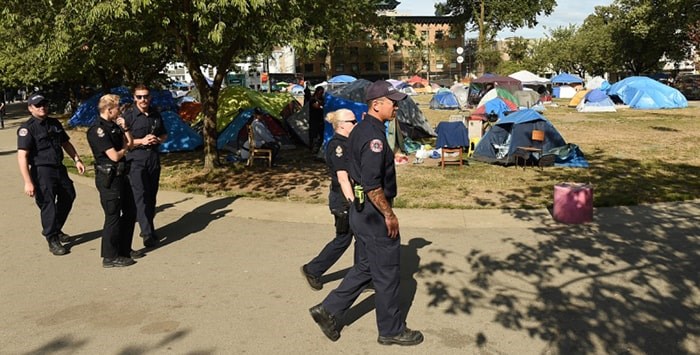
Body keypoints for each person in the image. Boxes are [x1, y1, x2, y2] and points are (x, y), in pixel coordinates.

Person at [309, 80, 423, 346]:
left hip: (360, 211)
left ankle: (329, 310)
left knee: (366, 267)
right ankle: (391, 329)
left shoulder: (360, 129)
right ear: (376, 104)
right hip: (373, 214)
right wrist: (389, 215)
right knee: (387, 274)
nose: (396, 106)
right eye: (392, 102)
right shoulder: (373, 137)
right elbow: (372, 184)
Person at [16, 94, 86, 256]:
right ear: (30, 108)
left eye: (44, 104)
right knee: (48, 204)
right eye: (38, 105)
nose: (42, 107)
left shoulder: (54, 123)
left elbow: (65, 143)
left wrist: (77, 159)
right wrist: (27, 182)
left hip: (58, 168)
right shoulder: (28, 128)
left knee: (69, 195)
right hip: (42, 171)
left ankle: (54, 227)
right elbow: (22, 156)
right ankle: (52, 238)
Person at [301, 109, 358, 290]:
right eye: (352, 121)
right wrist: (352, 202)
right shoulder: (337, 146)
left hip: (349, 196)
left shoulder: (348, 142)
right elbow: (343, 178)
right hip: (342, 200)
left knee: (362, 239)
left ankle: (361, 277)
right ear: (341, 124)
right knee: (343, 239)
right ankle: (313, 269)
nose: (355, 124)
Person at [87, 94, 140, 268]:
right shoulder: (98, 130)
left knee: (131, 211)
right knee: (113, 216)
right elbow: (115, 156)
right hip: (109, 178)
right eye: (118, 108)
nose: (120, 111)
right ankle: (109, 256)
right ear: (109, 110)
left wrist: (125, 129)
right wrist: (125, 148)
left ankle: (124, 249)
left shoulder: (114, 126)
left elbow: (130, 143)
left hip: (122, 175)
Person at [123, 84, 168, 248]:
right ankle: (147, 233)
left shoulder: (155, 114)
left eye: (146, 96)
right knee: (140, 196)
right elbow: (123, 142)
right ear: (134, 98)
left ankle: (148, 226)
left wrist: (159, 140)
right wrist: (141, 141)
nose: (143, 100)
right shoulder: (128, 116)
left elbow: (164, 133)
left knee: (151, 196)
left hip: (153, 157)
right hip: (136, 158)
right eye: (140, 97)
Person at [308, 86, 325, 153]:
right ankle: (312, 148)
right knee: (313, 134)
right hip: (314, 119)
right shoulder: (312, 99)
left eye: (322, 92)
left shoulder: (322, 99)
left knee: (321, 134)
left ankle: (319, 148)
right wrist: (320, 103)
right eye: (320, 92)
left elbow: (323, 104)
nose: (321, 94)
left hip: (321, 119)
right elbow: (316, 106)